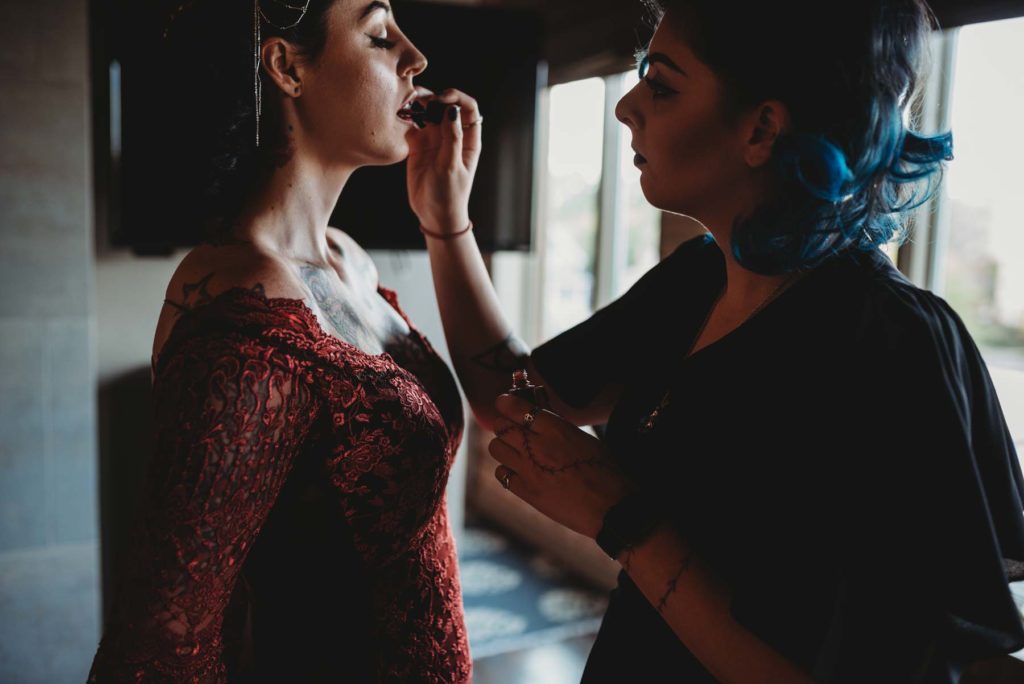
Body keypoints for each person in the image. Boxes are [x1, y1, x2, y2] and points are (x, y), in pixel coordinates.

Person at [411, 0, 1024, 681]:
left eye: (662, 85)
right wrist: (446, 222)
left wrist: (624, 520)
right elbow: (513, 397)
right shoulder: (698, 279)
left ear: (761, 129)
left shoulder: (895, 347)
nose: (626, 108)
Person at [88, 1, 477, 681]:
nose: (416, 59)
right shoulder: (242, 328)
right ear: (287, 67)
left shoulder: (348, 258)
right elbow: (159, 644)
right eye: (381, 35)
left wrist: (447, 220)